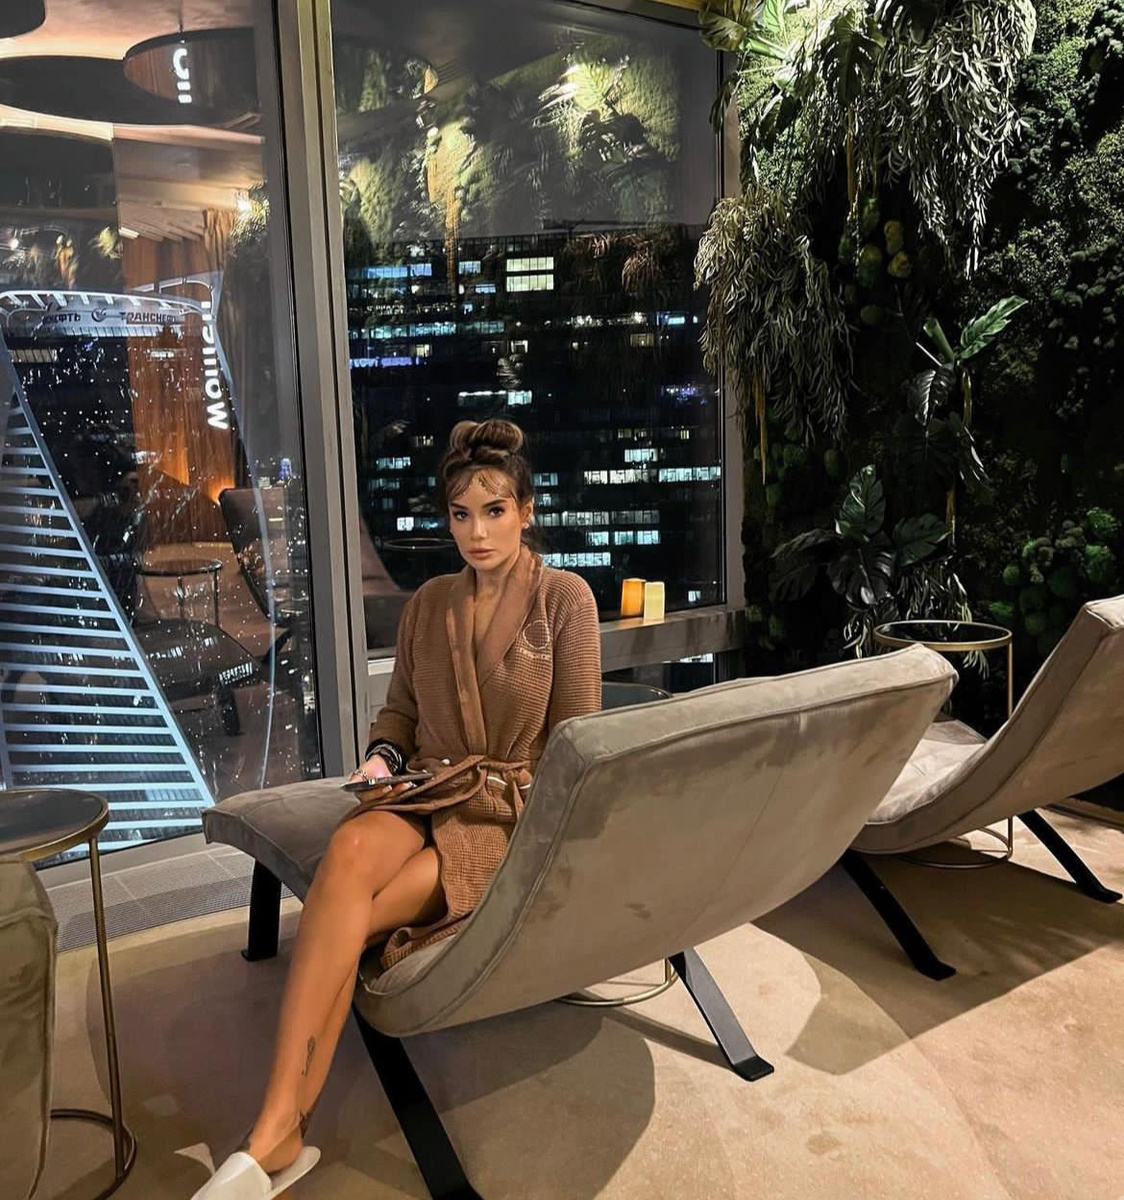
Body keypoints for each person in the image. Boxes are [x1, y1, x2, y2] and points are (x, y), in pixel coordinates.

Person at [194, 418, 602, 1198]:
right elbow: (400, 718)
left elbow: (577, 747)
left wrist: (543, 843)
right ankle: (279, 1127)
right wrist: (381, 762)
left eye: (494, 511)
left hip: (507, 813)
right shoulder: (430, 604)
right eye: (461, 514)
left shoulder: (564, 600)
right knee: (349, 853)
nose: (476, 532)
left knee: (349, 915)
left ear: (525, 511)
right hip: (427, 787)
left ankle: (277, 1135)